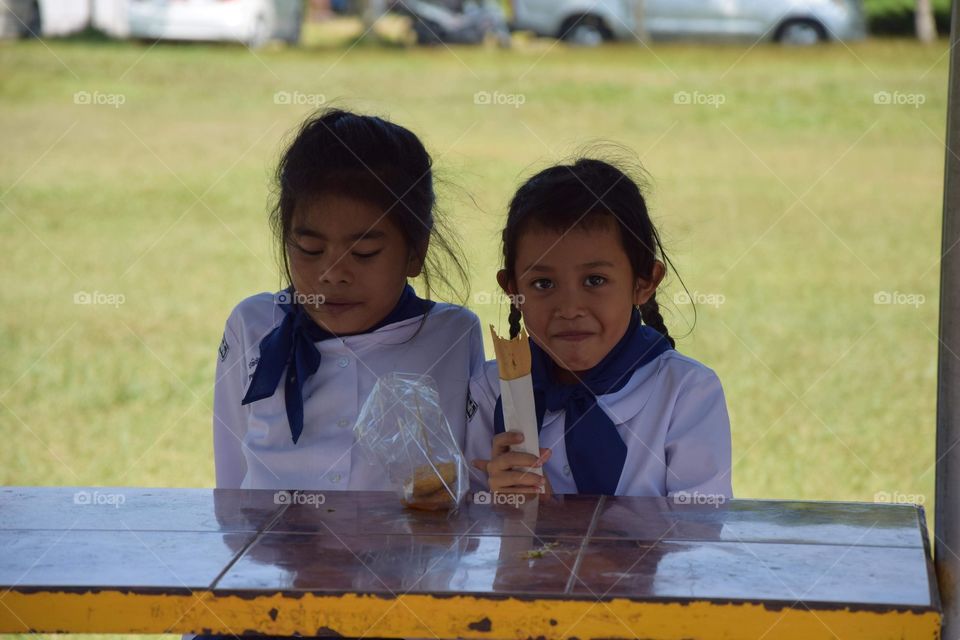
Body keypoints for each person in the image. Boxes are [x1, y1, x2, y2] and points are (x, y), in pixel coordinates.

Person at [470, 156, 732, 498]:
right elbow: (464, 528)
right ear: (513, 290)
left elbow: (696, 535)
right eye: (543, 284)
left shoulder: (686, 393)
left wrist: (559, 522)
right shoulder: (491, 392)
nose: (569, 308)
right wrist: (492, 502)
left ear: (644, 282)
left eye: (595, 280)